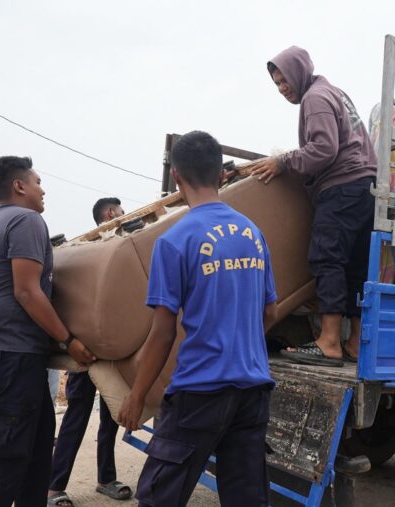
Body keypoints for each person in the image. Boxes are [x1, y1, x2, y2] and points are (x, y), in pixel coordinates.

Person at [118, 130, 277, 507]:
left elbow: (162, 334)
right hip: (252, 390)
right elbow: (269, 312)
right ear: (221, 174)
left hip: (200, 391)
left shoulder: (175, 241)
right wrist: (240, 341)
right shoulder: (253, 234)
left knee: (160, 496)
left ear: (177, 176)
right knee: (246, 499)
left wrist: (136, 396)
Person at [0, 156, 96, 507]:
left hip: (7, 349)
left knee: (38, 449)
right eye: (38, 181)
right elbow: (27, 290)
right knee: (6, 456)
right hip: (11, 351)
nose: (43, 189)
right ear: (19, 186)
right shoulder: (26, 220)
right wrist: (69, 340)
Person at [247, 45, 377, 367]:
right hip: (366, 187)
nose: (283, 88)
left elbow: (324, 148)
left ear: (299, 71)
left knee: (327, 258)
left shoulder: (314, 98)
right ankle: (356, 342)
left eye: (284, 80)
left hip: (341, 188)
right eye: (277, 84)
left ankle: (329, 341)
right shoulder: (335, 92)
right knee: (356, 266)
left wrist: (283, 162)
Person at [47, 197, 130, 507]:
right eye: (120, 211)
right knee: (77, 416)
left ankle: (106, 478)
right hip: (86, 354)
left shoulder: (121, 249)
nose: (124, 214)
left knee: (110, 416)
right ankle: (53, 486)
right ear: (109, 214)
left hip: (113, 352)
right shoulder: (87, 252)